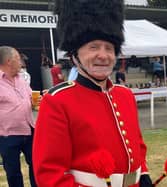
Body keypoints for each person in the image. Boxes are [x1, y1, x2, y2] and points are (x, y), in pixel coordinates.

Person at [33, 1, 153, 187]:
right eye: (94, 47)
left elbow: (137, 146)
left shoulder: (125, 95)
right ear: (75, 54)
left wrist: (143, 173)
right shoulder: (58, 101)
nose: (103, 55)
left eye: (109, 48)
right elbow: (50, 174)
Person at [0, 46, 37, 187]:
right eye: (18, 58)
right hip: (7, 135)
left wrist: (36, 101)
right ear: (9, 61)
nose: (21, 62)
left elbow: (30, 98)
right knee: (13, 172)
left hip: (29, 130)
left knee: (36, 164)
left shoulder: (21, 79)